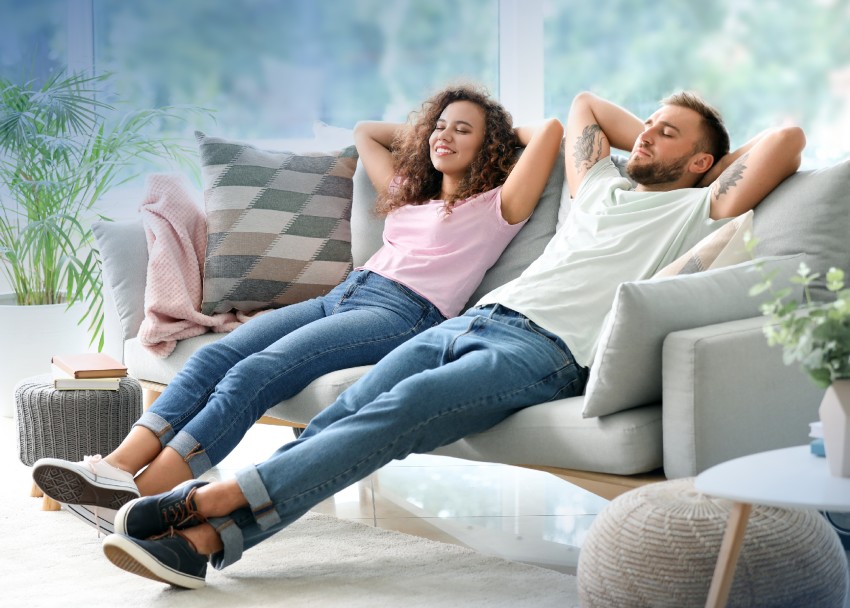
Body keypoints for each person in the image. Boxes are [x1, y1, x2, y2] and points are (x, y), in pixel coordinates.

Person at [100, 90, 805, 590]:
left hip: (543, 353)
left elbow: (786, 142)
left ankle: (223, 499)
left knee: (399, 413)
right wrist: (663, 136)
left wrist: (707, 155)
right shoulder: (601, 188)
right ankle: (201, 545)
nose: (645, 135)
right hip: (476, 318)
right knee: (348, 412)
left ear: (707, 164)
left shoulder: (698, 209)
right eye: (646, 123)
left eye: (667, 133)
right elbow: (587, 103)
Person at [31, 83, 565, 528]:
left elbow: (550, 133)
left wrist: (498, 133)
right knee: (217, 356)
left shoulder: (497, 206)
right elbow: (366, 133)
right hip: (347, 294)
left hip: (404, 313)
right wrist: (437, 132)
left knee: (257, 373)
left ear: (490, 147)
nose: (444, 135)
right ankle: (117, 469)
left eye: (462, 130)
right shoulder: (409, 193)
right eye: (439, 125)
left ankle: (149, 495)